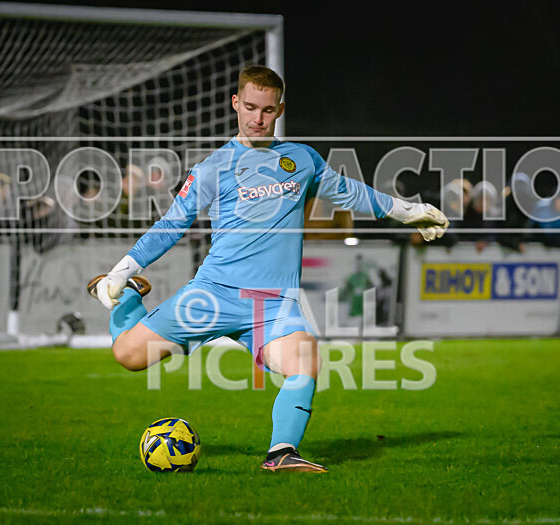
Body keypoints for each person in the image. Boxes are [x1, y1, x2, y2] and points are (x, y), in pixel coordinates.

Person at [86, 65, 449, 473]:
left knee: (305, 360)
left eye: (268, 110)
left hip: (273, 306)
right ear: (236, 104)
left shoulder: (302, 159)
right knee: (128, 356)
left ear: (279, 110)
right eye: (251, 108)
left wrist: (410, 212)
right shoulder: (213, 168)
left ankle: (281, 454)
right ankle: (128, 294)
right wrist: (123, 270)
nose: (258, 119)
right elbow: (172, 224)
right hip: (213, 295)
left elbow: (349, 193)